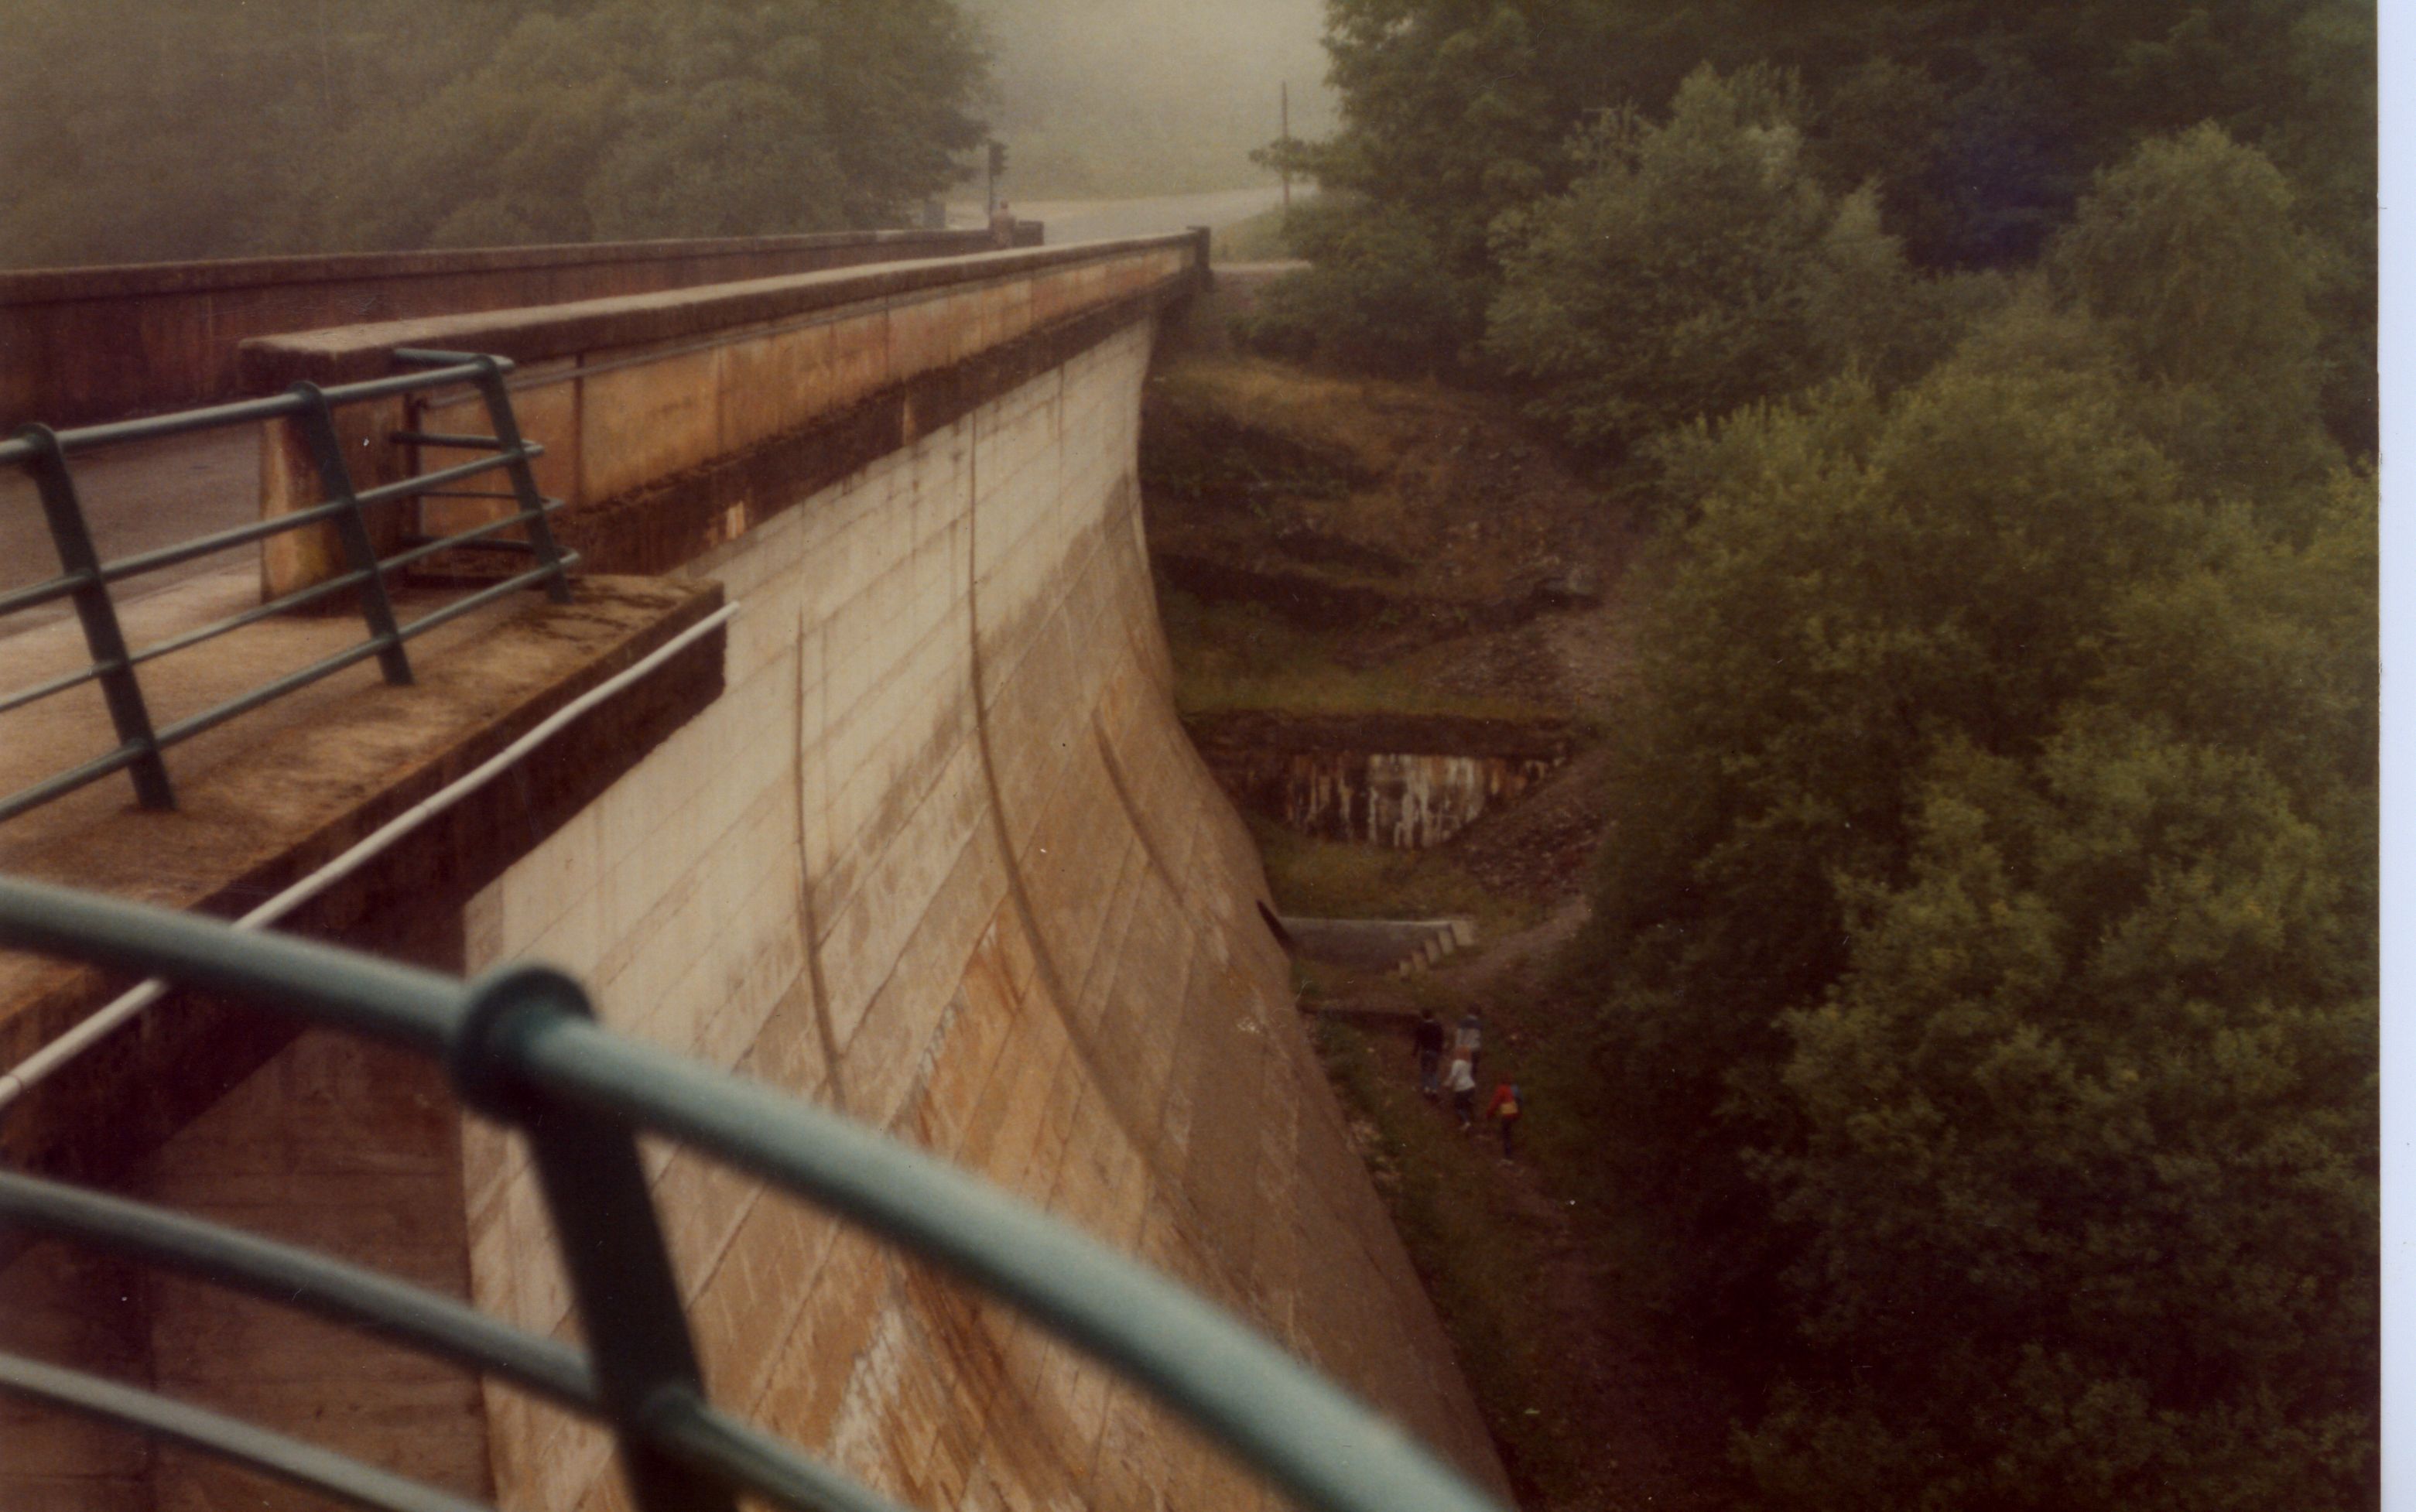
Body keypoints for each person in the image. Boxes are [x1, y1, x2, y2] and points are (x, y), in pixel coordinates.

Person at [1484, 1079, 1522, 1161]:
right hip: (1515, 1113)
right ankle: (1510, 1154)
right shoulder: (1515, 1087)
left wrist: (1489, 1114)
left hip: (1507, 1114)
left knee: (1506, 1135)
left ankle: (1508, 1158)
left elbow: (1495, 1104)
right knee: (1509, 1133)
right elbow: (1520, 1100)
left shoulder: (1501, 1089)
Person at [1413, 1010, 1445, 1098]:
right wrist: (1440, 1051)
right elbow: (1441, 1040)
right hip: (1435, 1051)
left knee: (1424, 1069)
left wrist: (1414, 1053)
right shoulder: (1438, 1026)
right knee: (1434, 1071)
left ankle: (1426, 1088)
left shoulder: (1421, 1026)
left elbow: (1418, 1041)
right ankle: (1434, 1090)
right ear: (1432, 1016)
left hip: (1425, 1050)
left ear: (1423, 1016)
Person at [1445, 1055, 1477, 1130]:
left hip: (1461, 1088)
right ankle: (1471, 1112)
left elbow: (1453, 1075)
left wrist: (1448, 1083)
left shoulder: (1457, 1062)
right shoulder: (1469, 1063)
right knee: (1465, 1101)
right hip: (1471, 1086)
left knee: (1458, 1107)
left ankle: (1466, 1122)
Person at [1453, 1010, 1483, 1075]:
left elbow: (1459, 1037)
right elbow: (1479, 1039)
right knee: (1473, 1072)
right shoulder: (1479, 1024)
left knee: (1463, 1071)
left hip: (1464, 1051)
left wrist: (1457, 1050)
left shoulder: (1462, 1023)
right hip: (1475, 1050)